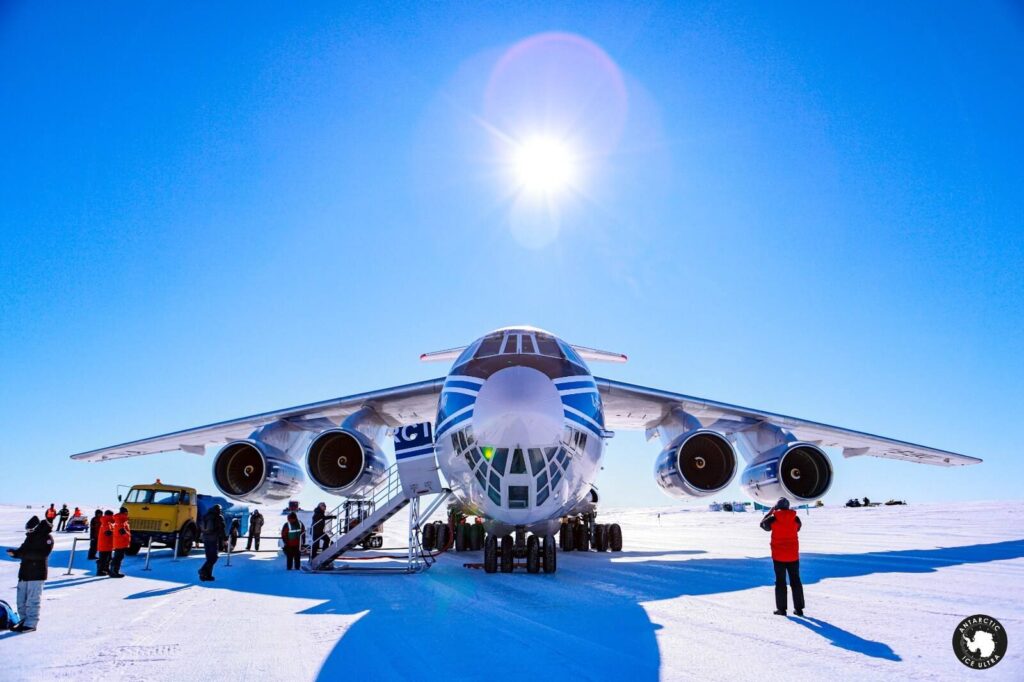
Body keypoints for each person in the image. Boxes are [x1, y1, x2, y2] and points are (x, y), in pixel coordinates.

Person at [6, 516, 54, 632]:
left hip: (37, 574)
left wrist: (23, 554)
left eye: (30, 530)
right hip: (24, 573)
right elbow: (23, 551)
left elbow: (41, 555)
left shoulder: (47, 538)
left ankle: (31, 624)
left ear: (36, 528)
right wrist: (15, 553)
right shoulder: (30, 538)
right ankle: (23, 621)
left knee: (33, 600)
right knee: (21, 599)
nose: (28, 532)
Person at [760, 497, 804, 616]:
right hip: (793, 556)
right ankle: (799, 609)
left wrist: (771, 512)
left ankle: (781, 609)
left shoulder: (773, 518)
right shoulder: (795, 518)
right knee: (796, 581)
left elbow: (763, 525)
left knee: (780, 582)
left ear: (777, 507)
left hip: (779, 557)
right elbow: (798, 528)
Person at [199, 504, 226, 582]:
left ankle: (206, 576)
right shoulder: (218, 517)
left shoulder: (206, 515)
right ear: (219, 510)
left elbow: (200, 527)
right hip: (213, 539)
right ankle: (202, 570)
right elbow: (222, 529)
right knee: (214, 558)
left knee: (209, 558)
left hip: (205, 539)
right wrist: (225, 539)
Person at [108, 506, 131, 578]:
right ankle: (114, 572)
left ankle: (113, 571)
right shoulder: (121, 522)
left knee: (117, 557)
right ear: (125, 513)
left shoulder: (120, 521)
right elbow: (123, 533)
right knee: (118, 558)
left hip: (119, 542)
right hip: (121, 543)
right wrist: (129, 536)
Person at [96, 509, 115, 575]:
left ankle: (105, 569)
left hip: (107, 544)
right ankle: (100, 571)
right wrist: (115, 533)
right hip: (104, 545)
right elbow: (108, 533)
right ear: (109, 516)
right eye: (112, 515)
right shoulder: (105, 523)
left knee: (108, 558)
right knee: (103, 559)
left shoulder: (107, 523)